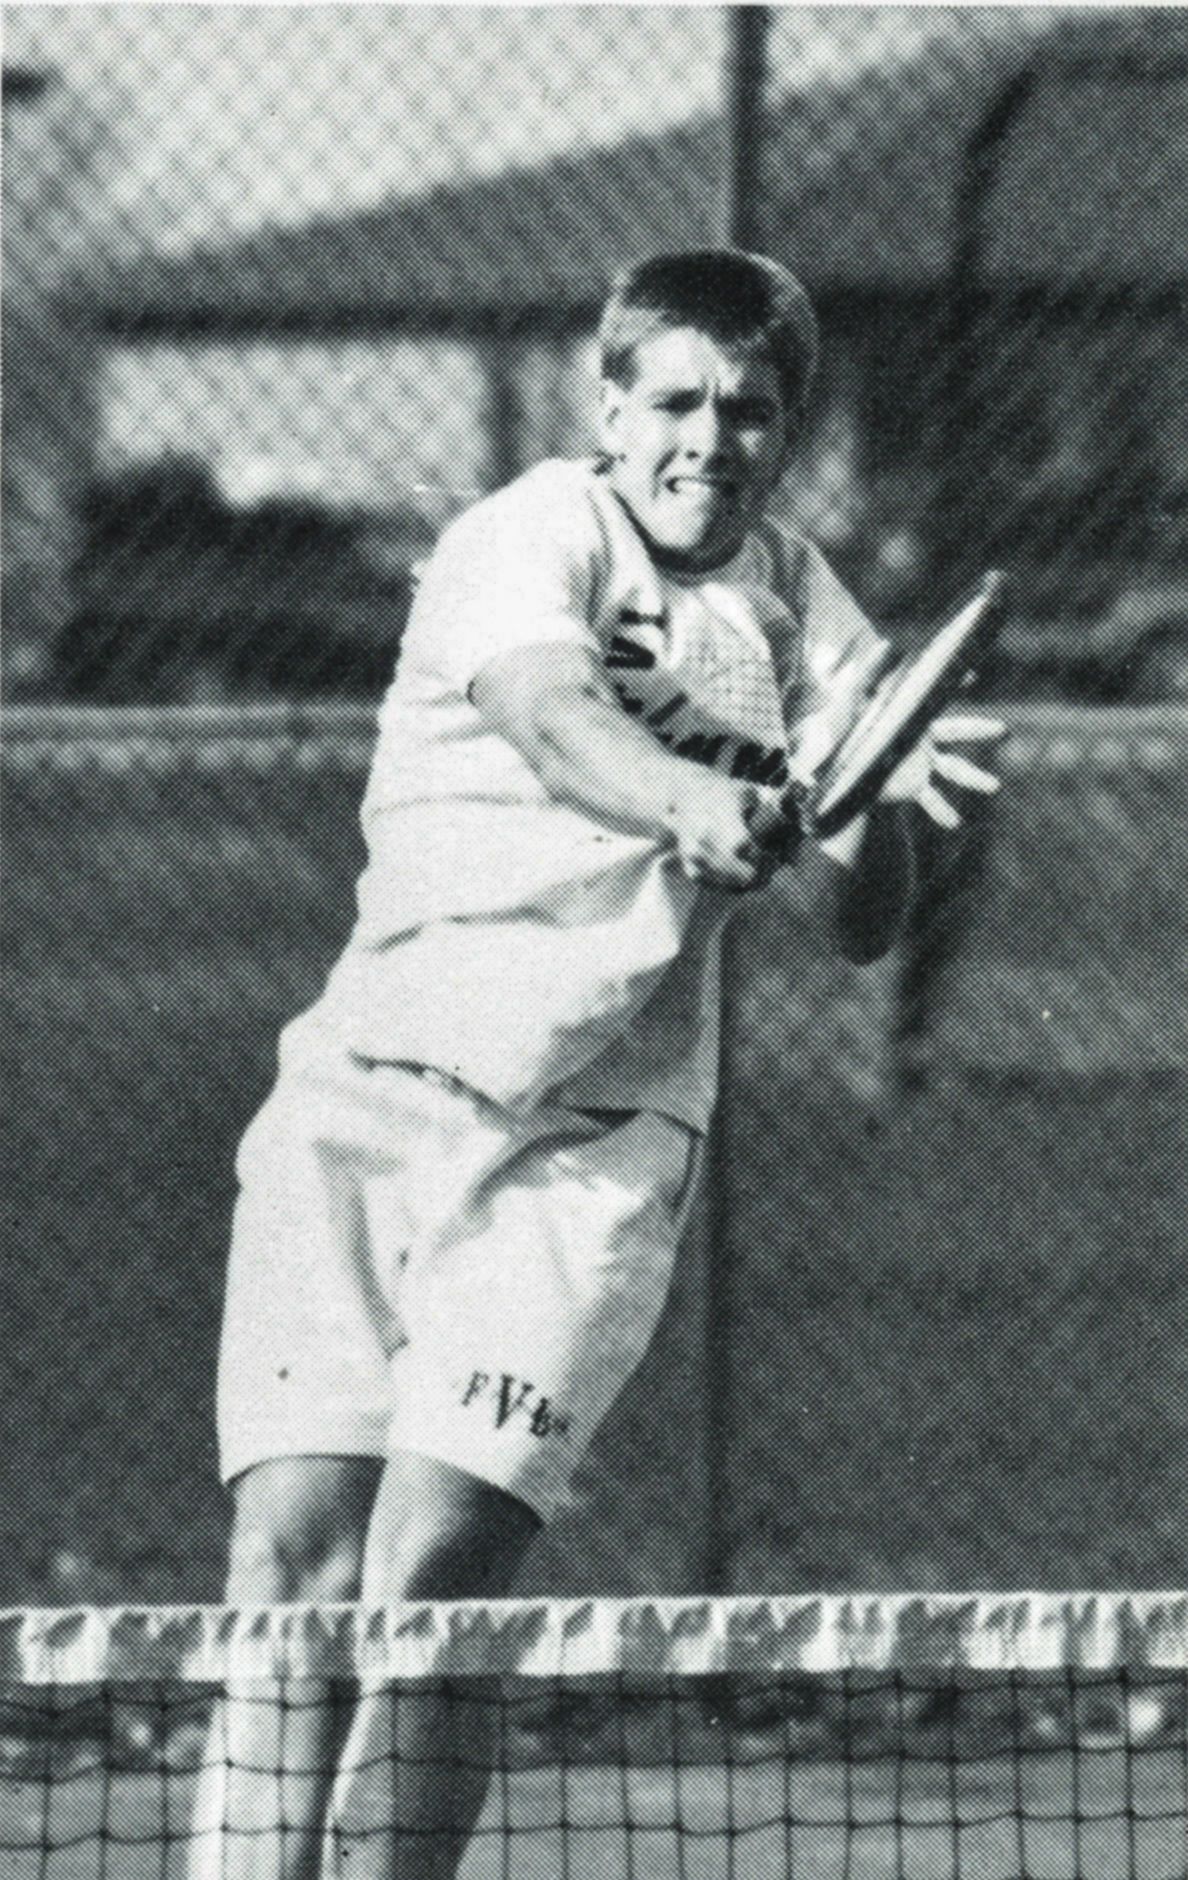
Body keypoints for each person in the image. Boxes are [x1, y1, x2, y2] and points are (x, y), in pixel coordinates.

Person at [192, 249, 1004, 1879]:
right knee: (290, 1560)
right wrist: (703, 800)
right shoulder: (526, 536)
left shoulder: (808, 612)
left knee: (431, 1582)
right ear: (612, 405)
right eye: (678, 400)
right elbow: (557, 718)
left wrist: (858, 789)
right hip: (365, 1097)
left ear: (788, 432)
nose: (711, 438)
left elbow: (863, 923)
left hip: (593, 1147)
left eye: (751, 410)